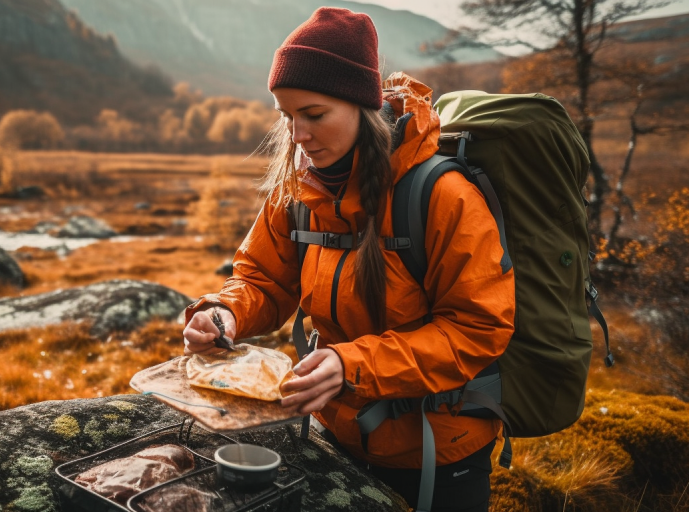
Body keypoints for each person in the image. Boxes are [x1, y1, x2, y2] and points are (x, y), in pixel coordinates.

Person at [182, 7, 515, 511]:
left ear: (363, 106)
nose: (297, 135)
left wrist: (351, 364)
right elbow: (263, 279)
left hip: (439, 454)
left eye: (313, 115)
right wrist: (225, 312)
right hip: (331, 434)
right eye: (286, 116)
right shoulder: (297, 189)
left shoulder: (441, 196)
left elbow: (478, 328)